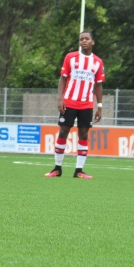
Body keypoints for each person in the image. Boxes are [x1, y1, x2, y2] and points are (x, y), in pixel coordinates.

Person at [45, 31, 105, 179]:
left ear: (92, 42)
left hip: (86, 104)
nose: (84, 41)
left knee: (83, 134)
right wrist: (60, 98)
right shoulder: (70, 57)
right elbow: (63, 78)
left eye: (87, 39)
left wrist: (100, 107)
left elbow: (98, 86)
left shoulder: (98, 62)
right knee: (63, 132)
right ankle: (57, 168)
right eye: (81, 39)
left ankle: (79, 171)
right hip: (69, 102)